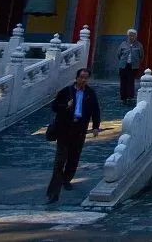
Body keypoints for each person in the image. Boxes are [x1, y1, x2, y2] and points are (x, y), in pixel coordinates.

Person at [46, 68, 101, 203]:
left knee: (74, 158)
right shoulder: (66, 92)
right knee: (60, 161)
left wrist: (95, 127)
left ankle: (67, 179)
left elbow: (95, 110)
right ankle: (53, 193)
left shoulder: (90, 93)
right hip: (64, 129)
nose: (83, 80)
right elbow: (54, 107)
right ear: (76, 78)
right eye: (81, 77)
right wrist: (66, 105)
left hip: (80, 129)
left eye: (86, 78)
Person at [117, 28, 144, 104]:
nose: (131, 37)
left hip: (133, 66)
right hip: (123, 65)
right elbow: (119, 54)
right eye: (130, 35)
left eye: (133, 36)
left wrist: (137, 63)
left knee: (131, 81)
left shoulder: (139, 45)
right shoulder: (123, 44)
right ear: (127, 36)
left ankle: (130, 97)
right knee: (123, 81)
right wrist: (123, 60)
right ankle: (123, 97)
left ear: (136, 36)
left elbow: (141, 55)